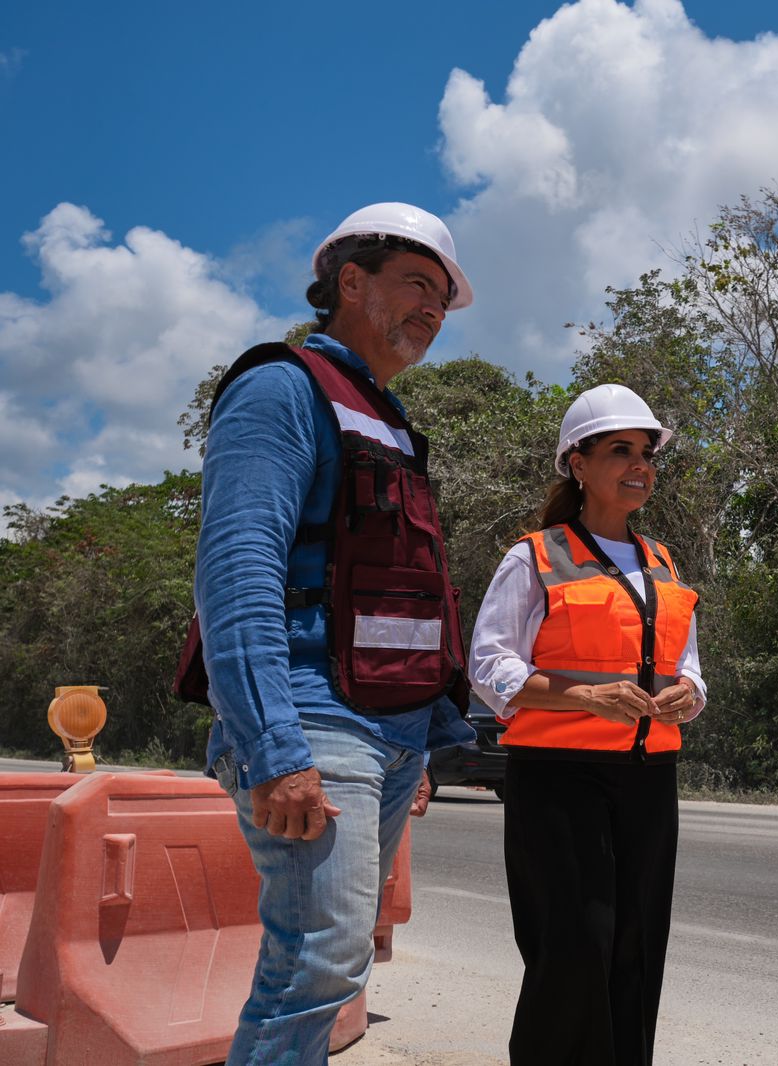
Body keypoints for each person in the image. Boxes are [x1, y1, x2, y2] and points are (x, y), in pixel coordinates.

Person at [182, 202, 477, 1065]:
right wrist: (272, 745)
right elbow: (237, 573)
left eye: (444, 297)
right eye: (418, 284)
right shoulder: (282, 387)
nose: (433, 308)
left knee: (333, 966)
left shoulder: (384, 417)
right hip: (313, 720)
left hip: (388, 730)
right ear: (350, 281)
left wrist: (430, 735)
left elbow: (409, 598)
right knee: (317, 965)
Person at [470, 384, 707, 1066]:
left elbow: (689, 667)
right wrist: (589, 698)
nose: (640, 466)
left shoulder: (661, 561)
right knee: (572, 950)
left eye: (646, 453)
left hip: (648, 781)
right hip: (558, 783)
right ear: (577, 463)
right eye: (619, 451)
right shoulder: (535, 557)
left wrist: (687, 695)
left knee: (635, 948)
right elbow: (490, 669)